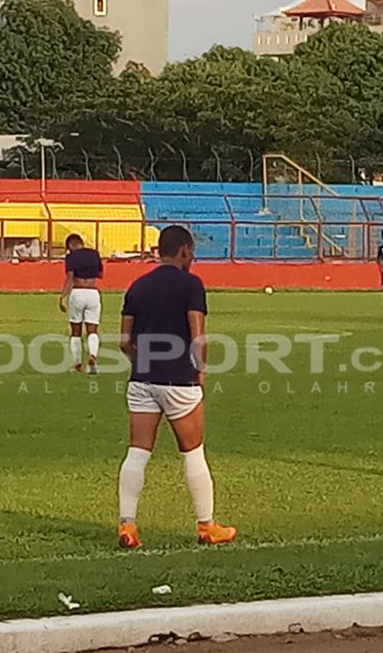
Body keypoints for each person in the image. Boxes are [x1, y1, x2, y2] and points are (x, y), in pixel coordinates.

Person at [117, 225, 236, 549]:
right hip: (179, 380)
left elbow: (124, 342)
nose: (193, 256)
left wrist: (143, 364)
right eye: (192, 251)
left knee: (137, 452)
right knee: (193, 451)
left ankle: (127, 525)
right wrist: (201, 369)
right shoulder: (191, 285)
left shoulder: (138, 285)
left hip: (142, 380)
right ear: (184, 250)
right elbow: (197, 334)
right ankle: (207, 526)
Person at [60, 234, 103, 374]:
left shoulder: (71, 257)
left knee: (76, 331)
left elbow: (70, 277)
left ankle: (77, 364)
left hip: (78, 292)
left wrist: (63, 296)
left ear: (70, 245)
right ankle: (93, 356)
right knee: (93, 330)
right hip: (93, 292)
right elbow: (100, 274)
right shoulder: (94, 254)